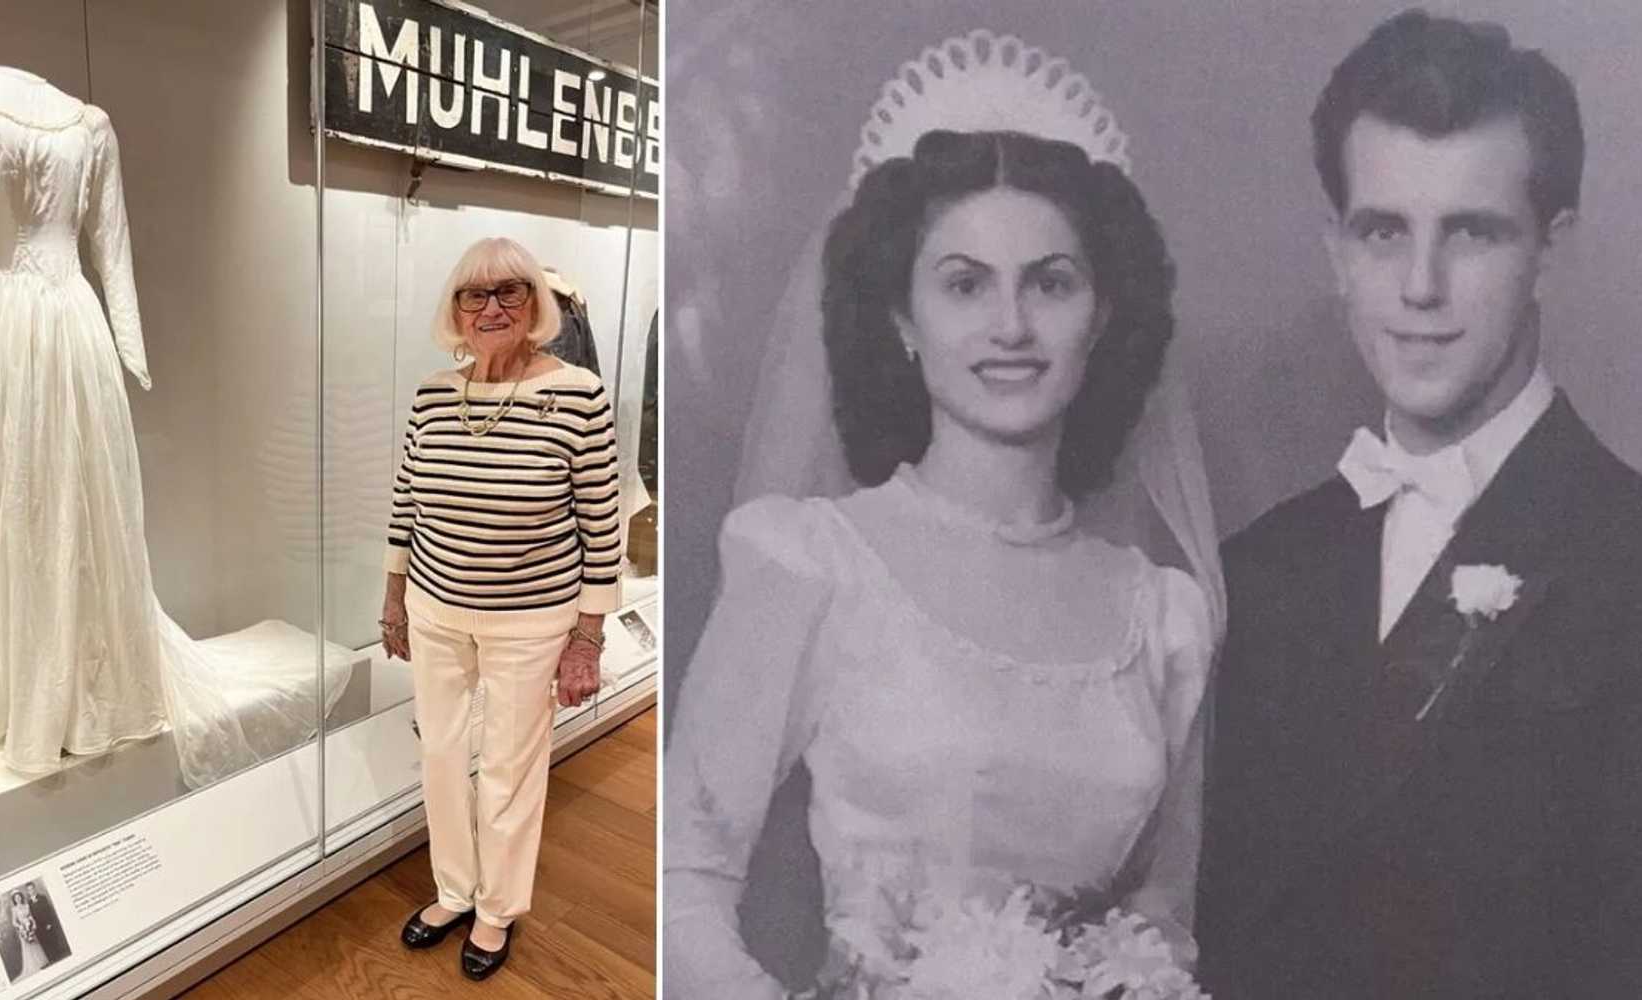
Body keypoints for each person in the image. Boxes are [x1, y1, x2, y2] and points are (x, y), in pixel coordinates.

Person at [664, 32, 1225, 999]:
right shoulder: (807, 563)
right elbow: (681, 874)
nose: (1011, 326)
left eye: (1051, 282)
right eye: (964, 284)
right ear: (902, 321)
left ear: (1101, 314)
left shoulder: (1165, 615)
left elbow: (1161, 911)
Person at [1197, 10, 1642, 997]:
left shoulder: (1629, 554)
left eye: (1472, 233)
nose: (1420, 286)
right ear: (1335, 253)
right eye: (1383, 231)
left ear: (1551, 252)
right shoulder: (1259, 569)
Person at [378, 237, 622, 983]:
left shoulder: (579, 394)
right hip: (434, 607)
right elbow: (405, 504)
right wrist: (393, 597)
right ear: (454, 311)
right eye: (473, 296)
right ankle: (453, 890)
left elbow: (601, 521)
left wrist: (588, 637)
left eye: (509, 292)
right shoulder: (431, 394)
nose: (490, 309)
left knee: (512, 770)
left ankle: (496, 908)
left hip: (531, 621)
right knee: (443, 756)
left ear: (536, 305)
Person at [10, 890, 49, 978]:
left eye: (19, 897)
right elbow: (13, 922)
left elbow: (30, 916)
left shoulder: (27, 905)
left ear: (21, 897)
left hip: (30, 926)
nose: (18, 899)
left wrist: (33, 923)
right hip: (23, 929)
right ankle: (32, 965)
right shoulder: (14, 909)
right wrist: (20, 926)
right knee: (28, 946)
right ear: (14, 900)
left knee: (35, 944)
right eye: (16, 898)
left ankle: (40, 962)